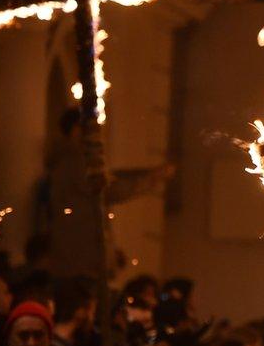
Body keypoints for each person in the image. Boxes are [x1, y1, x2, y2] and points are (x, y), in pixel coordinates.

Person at [46, 108, 175, 278]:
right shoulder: (75, 160)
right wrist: (152, 178)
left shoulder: (70, 160)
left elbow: (110, 179)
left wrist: (150, 174)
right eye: (93, 130)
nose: (97, 136)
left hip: (80, 254)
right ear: (77, 130)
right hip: (81, 259)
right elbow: (109, 190)